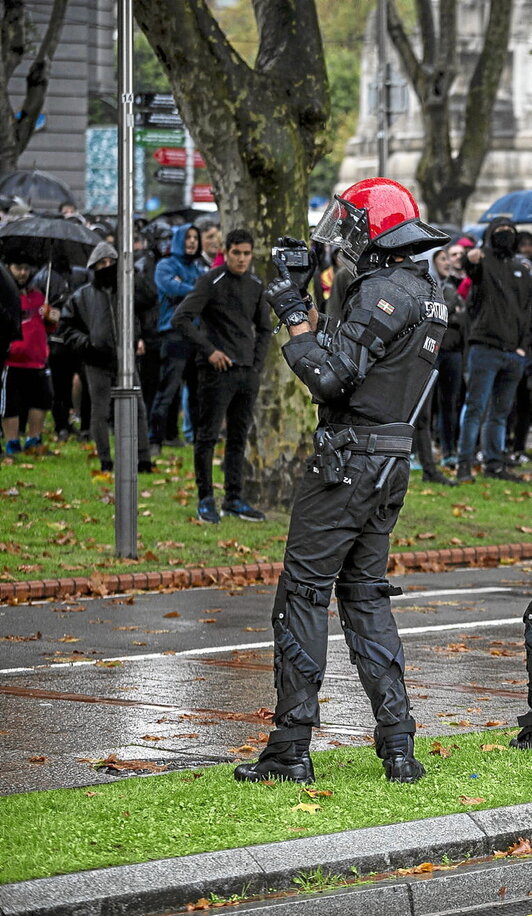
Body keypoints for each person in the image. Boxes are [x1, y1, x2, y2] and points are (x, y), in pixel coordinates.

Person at [233, 178, 450, 786]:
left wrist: (292, 315)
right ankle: (398, 746)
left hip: (347, 462)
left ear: (376, 231)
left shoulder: (382, 290)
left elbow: (331, 379)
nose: (345, 238)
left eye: (353, 226)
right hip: (389, 463)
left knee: (302, 594)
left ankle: (289, 750)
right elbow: (364, 364)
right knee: (365, 596)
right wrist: (312, 310)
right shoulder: (429, 291)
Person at [171, 228, 272, 523]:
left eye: (246, 254)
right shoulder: (210, 281)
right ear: (226, 253)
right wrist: (209, 351)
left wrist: (256, 364)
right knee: (207, 435)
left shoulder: (255, 285)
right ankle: (205, 498)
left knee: (238, 437)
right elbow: (182, 318)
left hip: (246, 372)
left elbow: (265, 328)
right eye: (236, 253)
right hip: (216, 372)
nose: (241, 259)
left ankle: (234, 498)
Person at [60, 241, 153, 473]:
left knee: (138, 407)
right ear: (93, 266)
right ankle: (105, 458)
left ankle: (143, 458)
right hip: (97, 360)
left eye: (111, 262)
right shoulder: (82, 296)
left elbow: (147, 307)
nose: (107, 267)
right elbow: (67, 327)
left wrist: (140, 338)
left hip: (127, 358)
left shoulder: (129, 289)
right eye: (102, 263)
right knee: (100, 411)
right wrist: (87, 346)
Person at [456, 217, 531, 483]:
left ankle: (494, 463)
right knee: (475, 407)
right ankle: (464, 463)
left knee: (500, 412)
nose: (505, 235)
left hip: (513, 353)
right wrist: (471, 259)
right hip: (485, 348)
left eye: (509, 232)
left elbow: (527, 311)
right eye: (499, 231)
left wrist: (523, 349)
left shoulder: (521, 267)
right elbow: (470, 268)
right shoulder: (482, 259)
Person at [149, 224, 206, 456]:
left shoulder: (198, 267)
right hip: (173, 335)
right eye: (188, 237)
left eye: (195, 237)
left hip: (197, 335)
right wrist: (196, 290)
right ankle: (155, 439)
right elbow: (171, 288)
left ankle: (197, 441)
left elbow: (202, 292)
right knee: (167, 390)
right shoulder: (165, 265)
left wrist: (187, 287)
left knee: (196, 392)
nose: (192, 241)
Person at [0, 255, 54, 454]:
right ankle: (12, 442)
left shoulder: (39, 296)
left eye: (26, 268)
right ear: (8, 268)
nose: (23, 273)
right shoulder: (7, 296)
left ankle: (34, 439)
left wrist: (50, 315)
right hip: (12, 360)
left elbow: (51, 327)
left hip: (37, 359)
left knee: (41, 400)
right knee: (10, 404)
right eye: (18, 268)